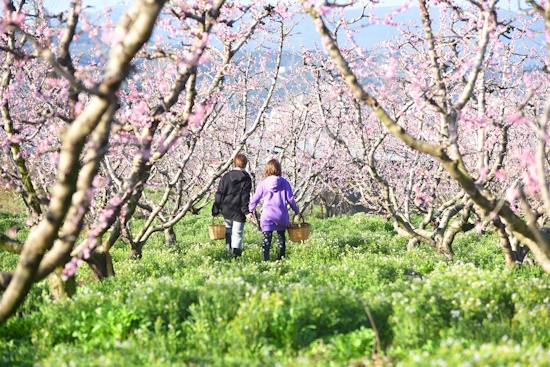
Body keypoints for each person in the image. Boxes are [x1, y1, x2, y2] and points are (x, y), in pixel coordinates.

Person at [248, 159, 300, 261]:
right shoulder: (284, 183)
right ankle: (281, 261)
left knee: (266, 240)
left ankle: (265, 262)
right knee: (281, 239)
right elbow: (290, 199)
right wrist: (296, 211)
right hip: (281, 215)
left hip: (267, 216)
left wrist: (250, 210)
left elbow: (255, 198)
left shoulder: (263, 183)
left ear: (267, 169)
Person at [212, 153, 252, 258]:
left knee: (229, 232)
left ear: (234, 163)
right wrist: (246, 212)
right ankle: (235, 258)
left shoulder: (226, 177)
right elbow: (245, 197)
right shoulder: (247, 178)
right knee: (237, 234)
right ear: (245, 164)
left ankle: (227, 254)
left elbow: (219, 193)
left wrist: (215, 209)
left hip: (227, 210)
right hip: (239, 212)